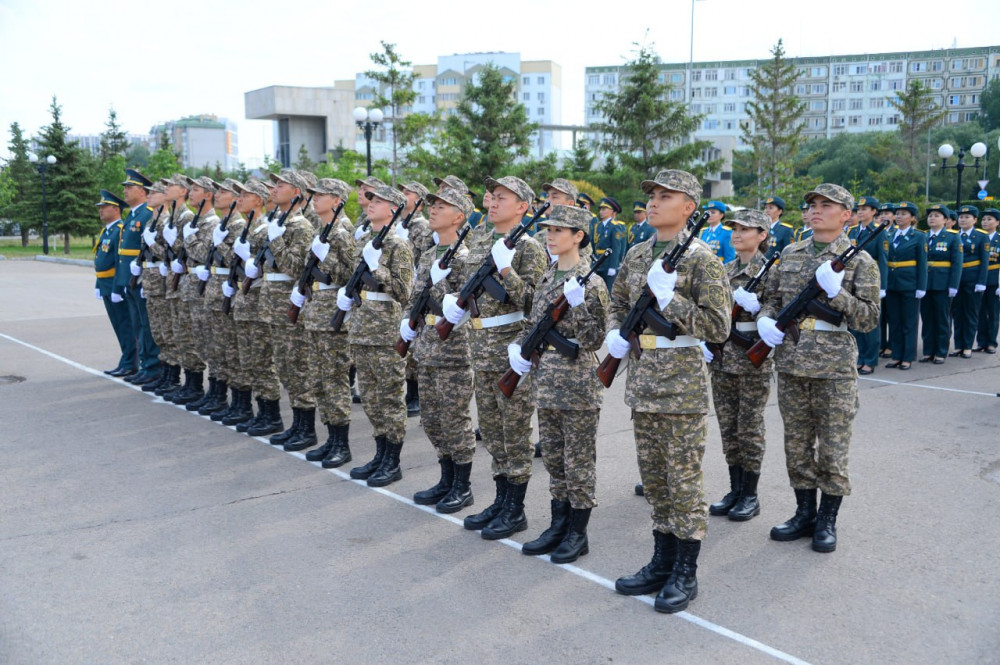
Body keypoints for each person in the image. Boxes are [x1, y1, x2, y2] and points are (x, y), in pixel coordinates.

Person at [610, 170, 732, 614]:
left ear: (689, 208)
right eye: (652, 196)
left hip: (681, 385)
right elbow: (618, 303)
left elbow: (719, 327)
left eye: (667, 196)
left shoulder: (702, 259)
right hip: (643, 381)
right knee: (656, 479)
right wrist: (614, 336)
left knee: (683, 482)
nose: (655, 203)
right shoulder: (639, 252)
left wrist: (671, 301)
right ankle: (661, 561)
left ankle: (685, 571)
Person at [756, 183, 880, 554]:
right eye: (811, 204)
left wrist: (838, 293)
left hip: (834, 369)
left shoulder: (860, 261)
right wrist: (765, 321)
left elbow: (869, 319)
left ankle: (827, 520)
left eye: (827, 205)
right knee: (796, 445)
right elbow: (772, 299)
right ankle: (803, 513)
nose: (815, 210)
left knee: (833, 448)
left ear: (846, 215)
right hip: (792, 364)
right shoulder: (790, 253)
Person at [442, 176, 546, 540]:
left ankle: (515, 510)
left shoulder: (530, 248)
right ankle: (501, 500)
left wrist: (505, 270)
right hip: (479, 346)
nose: (493, 201)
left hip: (509, 350)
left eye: (503, 197)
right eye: (492, 196)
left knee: (514, 434)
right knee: (492, 433)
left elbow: (534, 303)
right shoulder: (481, 240)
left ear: (522, 207)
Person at [514, 204, 609, 563]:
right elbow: (535, 322)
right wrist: (519, 346)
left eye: (557, 231)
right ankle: (558, 525)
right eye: (548, 230)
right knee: (554, 459)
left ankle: (577, 533)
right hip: (546, 383)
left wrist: (579, 305)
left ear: (578, 236)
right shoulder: (547, 276)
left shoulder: (592, 282)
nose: (549, 236)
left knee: (578, 462)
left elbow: (594, 339)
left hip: (578, 386)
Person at [400, 187, 477, 512]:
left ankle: (463, 485)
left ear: (459, 216)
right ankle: (445, 479)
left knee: (454, 420)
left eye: (442, 206)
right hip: (426, 348)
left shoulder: (466, 258)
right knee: (431, 420)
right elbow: (416, 295)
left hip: (454, 351)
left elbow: (468, 306)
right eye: (432, 204)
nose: (433, 209)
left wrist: (442, 285)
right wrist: (407, 322)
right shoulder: (430, 254)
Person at [338, 185, 414, 487]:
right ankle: (380, 453)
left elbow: (404, 292)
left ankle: (392, 462)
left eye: (378, 201)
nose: (370, 204)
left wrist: (376, 269)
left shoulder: (398, 246)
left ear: (394, 208)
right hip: (361, 329)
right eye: (371, 200)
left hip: (385, 333)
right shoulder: (367, 241)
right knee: (369, 398)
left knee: (390, 399)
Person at [704, 209, 773, 522]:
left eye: (746, 229)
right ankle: (734, 489)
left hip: (751, 362)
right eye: (734, 228)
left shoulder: (772, 270)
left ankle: (750, 494)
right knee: (728, 427)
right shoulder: (724, 269)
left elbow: (781, 311)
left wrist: (759, 309)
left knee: (749, 427)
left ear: (762, 235)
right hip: (722, 360)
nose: (737, 234)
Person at [292, 178, 358, 467]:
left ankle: (342, 445)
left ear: (337, 200)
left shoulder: (343, 232)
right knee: (319, 379)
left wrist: (326, 260)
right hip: (315, 312)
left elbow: (351, 275)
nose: (314, 199)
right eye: (313, 194)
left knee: (334, 380)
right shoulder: (323, 230)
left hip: (333, 315)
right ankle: (330, 438)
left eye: (321, 195)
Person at [257, 170, 318, 451]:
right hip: (273, 303)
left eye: (281, 185)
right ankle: (296, 424)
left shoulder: (301, 227)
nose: (274, 189)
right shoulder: (278, 221)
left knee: (298, 366)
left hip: (289, 305)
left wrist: (277, 240)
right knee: (284, 366)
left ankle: (307, 429)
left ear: (296, 192)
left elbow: (296, 268)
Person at [230, 179, 285, 436]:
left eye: (245, 195)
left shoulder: (265, 229)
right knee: (250, 360)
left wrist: (248, 260)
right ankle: (260, 411)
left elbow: (271, 266)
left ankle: (271, 415)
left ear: (259, 200)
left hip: (260, 301)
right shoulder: (249, 229)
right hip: (245, 300)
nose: (239, 199)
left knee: (263, 360)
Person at [177, 176, 220, 411]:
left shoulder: (212, 224)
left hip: (205, 289)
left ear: (208, 195)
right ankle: (197, 387)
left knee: (211, 343)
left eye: (195, 190)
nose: (190, 193)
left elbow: (204, 254)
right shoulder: (197, 221)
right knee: (198, 340)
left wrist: (189, 236)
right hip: (192, 285)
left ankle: (215, 392)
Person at [118, 169, 160, 385]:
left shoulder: (147, 214)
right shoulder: (133, 214)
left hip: (143, 277)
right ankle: (145, 364)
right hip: (131, 277)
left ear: (142, 191)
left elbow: (148, 249)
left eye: (129, 187)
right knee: (138, 324)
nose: (124, 191)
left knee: (146, 323)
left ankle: (152, 366)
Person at [396, 180, 434, 416]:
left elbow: (418, 260)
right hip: (404, 292)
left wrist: (404, 241)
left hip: (416, 288)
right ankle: (410, 392)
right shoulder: (402, 224)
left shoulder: (423, 228)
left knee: (414, 346)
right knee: (406, 344)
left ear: (419, 203)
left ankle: (415, 394)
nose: (403, 196)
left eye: (408, 193)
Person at [137, 182, 177, 394]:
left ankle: (172, 377)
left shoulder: (166, 221)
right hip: (150, 280)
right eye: (149, 193)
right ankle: (164, 374)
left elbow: (170, 254)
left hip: (162, 282)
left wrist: (152, 244)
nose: (149, 196)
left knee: (167, 331)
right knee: (158, 332)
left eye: (154, 193)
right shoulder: (152, 220)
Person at [94, 189, 136, 376]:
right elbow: (101, 259)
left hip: (114, 284)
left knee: (126, 325)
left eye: (105, 207)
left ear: (116, 209)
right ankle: (126, 359)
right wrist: (98, 284)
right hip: (105, 284)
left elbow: (120, 262)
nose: (101, 210)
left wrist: (118, 287)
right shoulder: (107, 231)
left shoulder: (120, 231)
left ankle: (130, 362)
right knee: (118, 325)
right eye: (100, 207)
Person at [847, 196, 888, 374]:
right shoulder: (853, 232)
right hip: (854, 280)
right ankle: (859, 357)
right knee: (855, 320)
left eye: (865, 209)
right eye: (859, 209)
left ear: (874, 212)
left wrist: (883, 286)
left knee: (870, 322)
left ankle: (870, 360)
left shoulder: (879, 231)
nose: (861, 212)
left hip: (871, 281)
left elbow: (884, 261)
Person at [884, 202, 926, 370]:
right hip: (892, 284)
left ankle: (907, 356)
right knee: (894, 321)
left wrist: (921, 286)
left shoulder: (918, 236)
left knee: (909, 322)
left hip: (910, 284)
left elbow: (922, 263)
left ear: (913, 218)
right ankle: (896, 355)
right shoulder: (890, 234)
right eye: (898, 213)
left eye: (904, 213)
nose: (899, 216)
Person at [920, 204, 962, 364]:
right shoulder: (922, 236)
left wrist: (953, 285)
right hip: (925, 284)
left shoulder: (952, 237)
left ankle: (941, 351)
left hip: (942, 283)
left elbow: (957, 263)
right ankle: (928, 350)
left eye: (937, 215)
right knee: (927, 318)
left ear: (945, 220)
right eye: (930, 215)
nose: (932, 218)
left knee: (942, 318)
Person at [950, 205, 989, 359]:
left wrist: (981, 282)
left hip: (972, 279)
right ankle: (958, 345)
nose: (963, 219)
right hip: (957, 279)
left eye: (967, 217)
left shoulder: (981, 236)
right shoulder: (953, 235)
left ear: (975, 220)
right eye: (961, 217)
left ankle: (967, 346)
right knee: (957, 313)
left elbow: (985, 261)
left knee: (971, 313)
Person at [975, 208, 1000, 354]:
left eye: (989, 219)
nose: (985, 222)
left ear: (997, 222)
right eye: (984, 219)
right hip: (979, 280)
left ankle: (991, 342)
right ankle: (981, 341)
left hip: (994, 281)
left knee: (993, 313)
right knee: (979, 312)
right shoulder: (978, 238)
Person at [592, 196, 626, 290]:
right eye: (600, 209)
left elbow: (616, 247)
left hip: (608, 262)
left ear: (612, 211)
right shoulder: (598, 226)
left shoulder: (615, 226)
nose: (601, 211)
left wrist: (613, 266)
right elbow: (594, 244)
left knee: (608, 290)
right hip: (597, 262)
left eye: (604, 209)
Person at [876, 202, 897, 358]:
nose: (884, 216)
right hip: (878, 276)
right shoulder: (878, 231)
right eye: (881, 213)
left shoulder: (896, 232)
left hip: (894, 277)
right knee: (880, 315)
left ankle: (891, 344)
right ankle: (881, 343)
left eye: (887, 213)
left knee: (892, 315)